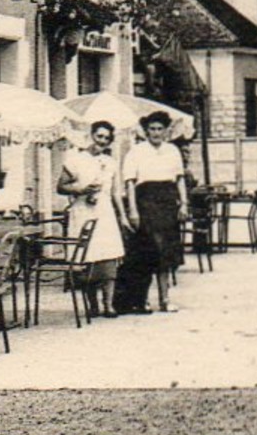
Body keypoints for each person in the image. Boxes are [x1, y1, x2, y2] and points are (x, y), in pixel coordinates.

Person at [117, 111, 189, 314]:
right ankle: (142, 300)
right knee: (148, 253)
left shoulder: (172, 151)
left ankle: (165, 300)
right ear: (146, 131)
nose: (156, 133)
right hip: (145, 204)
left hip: (167, 204)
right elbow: (130, 182)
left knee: (166, 254)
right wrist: (133, 210)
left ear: (166, 131)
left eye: (160, 129)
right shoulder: (136, 151)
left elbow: (180, 179)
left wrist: (183, 204)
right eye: (152, 129)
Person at [58, 120, 126, 319]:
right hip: (82, 210)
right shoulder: (75, 159)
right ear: (91, 136)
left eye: (106, 138)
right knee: (87, 258)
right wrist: (79, 189)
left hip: (104, 211)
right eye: (99, 136)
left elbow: (115, 193)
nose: (102, 141)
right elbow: (61, 186)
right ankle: (92, 304)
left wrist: (122, 216)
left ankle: (109, 305)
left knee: (108, 256)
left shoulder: (110, 163)